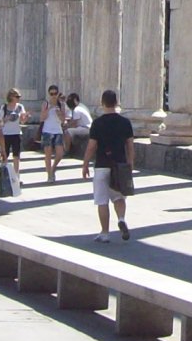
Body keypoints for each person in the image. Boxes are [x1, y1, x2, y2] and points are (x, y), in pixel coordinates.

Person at [80, 89, 134, 242]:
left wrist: (85, 164)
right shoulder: (125, 122)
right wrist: (130, 163)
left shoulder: (98, 123)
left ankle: (104, 233)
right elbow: (130, 145)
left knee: (102, 200)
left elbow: (92, 146)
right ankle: (121, 219)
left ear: (102, 103)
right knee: (118, 197)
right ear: (116, 103)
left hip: (102, 164)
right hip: (120, 164)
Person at [39, 84, 68, 183]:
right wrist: (49, 109)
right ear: (49, 94)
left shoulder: (61, 104)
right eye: (51, 94)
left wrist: (59, 113)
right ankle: (49, 175)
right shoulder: (45, 104)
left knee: (60, 153)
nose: (53, 96)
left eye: (55, 93)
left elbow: (63, 120)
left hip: (58, 131)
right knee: (48, 154)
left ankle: (53, 168)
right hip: (47, 130)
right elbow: (42, 118)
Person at [0, 88, 26, 176]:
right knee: (4, 154)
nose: (19, 98)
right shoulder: (4, 107)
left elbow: (22, 121)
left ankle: (16, 175)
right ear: (11, 97)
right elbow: (0, 121)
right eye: (17, 96)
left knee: (16, 155)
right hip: (6, 133)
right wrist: (7, 118)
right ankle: (2, 173)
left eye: (19, 96)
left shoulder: (20, 107)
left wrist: (24, 117)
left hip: (16, 133)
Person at [65, 91, 93, 162]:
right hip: (84, 128)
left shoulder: (77, 109)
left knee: (68, 132)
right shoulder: (81, 107)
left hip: (87, 128)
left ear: (75, 100)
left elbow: (74, 123)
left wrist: (66, 126)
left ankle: (66, 151)